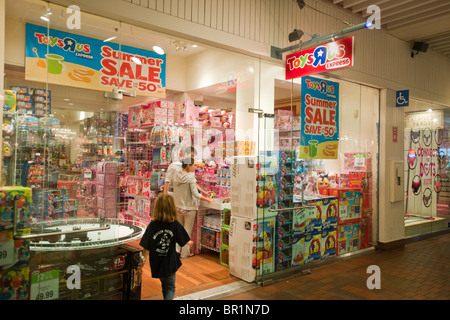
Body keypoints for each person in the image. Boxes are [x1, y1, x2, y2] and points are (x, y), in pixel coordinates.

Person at [138, 193, 192, 300]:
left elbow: (146, 247)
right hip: (170, 263)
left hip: (157, 263)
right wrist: (190, 243)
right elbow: (184, 240)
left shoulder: (152, 225)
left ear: (157, 208)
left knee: (165, 286)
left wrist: (141, 264)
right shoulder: (174, 224)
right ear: (172, 208)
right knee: (170, 288)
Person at [173, 157, 214, 258]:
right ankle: (185, 253)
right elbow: (196, 194)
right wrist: (208, 199)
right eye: (194, 165)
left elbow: (194, 186)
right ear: (188, 165)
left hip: (178, 207)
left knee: (178, 230)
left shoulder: (176, 175)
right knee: (187, 231)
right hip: (189, 208)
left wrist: (204, 192)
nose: (195, 167)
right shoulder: (190, 177)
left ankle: (176, 250)